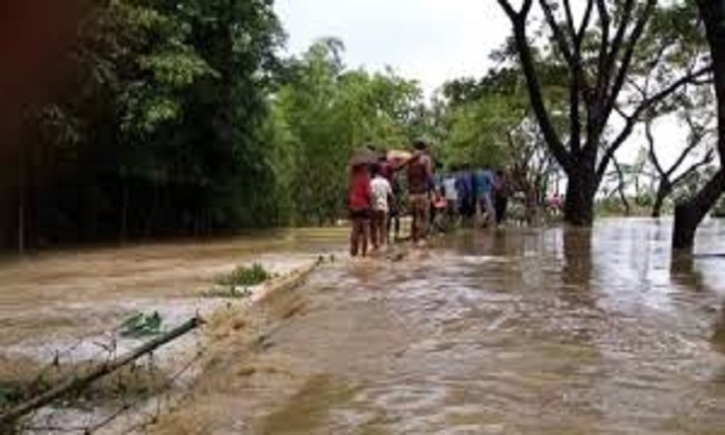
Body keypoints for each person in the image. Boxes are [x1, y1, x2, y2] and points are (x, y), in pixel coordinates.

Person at [407, 139, 433, 246]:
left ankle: (413, 239)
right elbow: (429, 175)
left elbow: (408, 176)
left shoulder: (410, 160)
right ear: (424, 148)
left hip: (412, 193)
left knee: (414, 218)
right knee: (424, 217)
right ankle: (422, 240)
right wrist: (434, 189)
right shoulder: (426, 159)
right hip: (423, 192)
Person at [348, 163, 372, 257]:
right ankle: (364, 254)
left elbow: (350, 191)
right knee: (365, 230)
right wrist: (371, 200)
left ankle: (353, 253)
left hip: (354, 206)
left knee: (355, 230)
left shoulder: (352, 177)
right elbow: (368, 194)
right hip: (364, 206)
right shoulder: (365, 177)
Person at [370, 163, 394, 251]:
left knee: (374, 227)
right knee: (383, 226)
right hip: (384, 207)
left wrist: (372, 205)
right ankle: (383, 244)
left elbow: (371, 196)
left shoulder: (371, 182)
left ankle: (374, 244)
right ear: (380, 171)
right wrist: (391, 205)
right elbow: (391, 195)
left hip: (374, 207)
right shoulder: (386, 182)